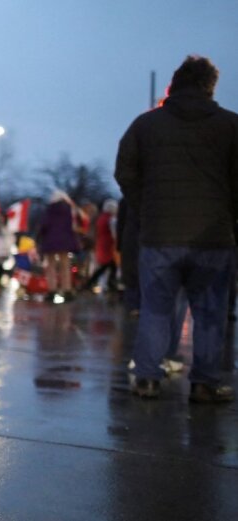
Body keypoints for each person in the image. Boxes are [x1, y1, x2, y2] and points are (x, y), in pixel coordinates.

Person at [115, 55, 237, 403]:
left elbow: (125, 171)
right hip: (213, 237)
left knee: (156, 309)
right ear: (210, 86)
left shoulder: (145, 125)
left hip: (159, 236)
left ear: (175, 84)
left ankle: (147, 378)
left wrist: (147, 207)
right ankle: (204, 383)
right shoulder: (230, 126)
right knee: (210, 312)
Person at [37, 190, 80, 302]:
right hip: (65, 241)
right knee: (65, 266)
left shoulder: (49, 209)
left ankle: (52, 290)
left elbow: (44, 225)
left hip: (50, 241)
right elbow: (74, 225)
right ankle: (67, 290)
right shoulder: (70, 209)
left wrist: (39, 237)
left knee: (50, 266)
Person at [80, 199, 119, 294]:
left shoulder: (101, 218)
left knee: (106, 266)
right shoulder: (111, 219)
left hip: (101, 244)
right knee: (108, 266)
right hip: (109, 246)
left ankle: (106, 283)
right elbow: (114, 233)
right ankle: (108, 284)